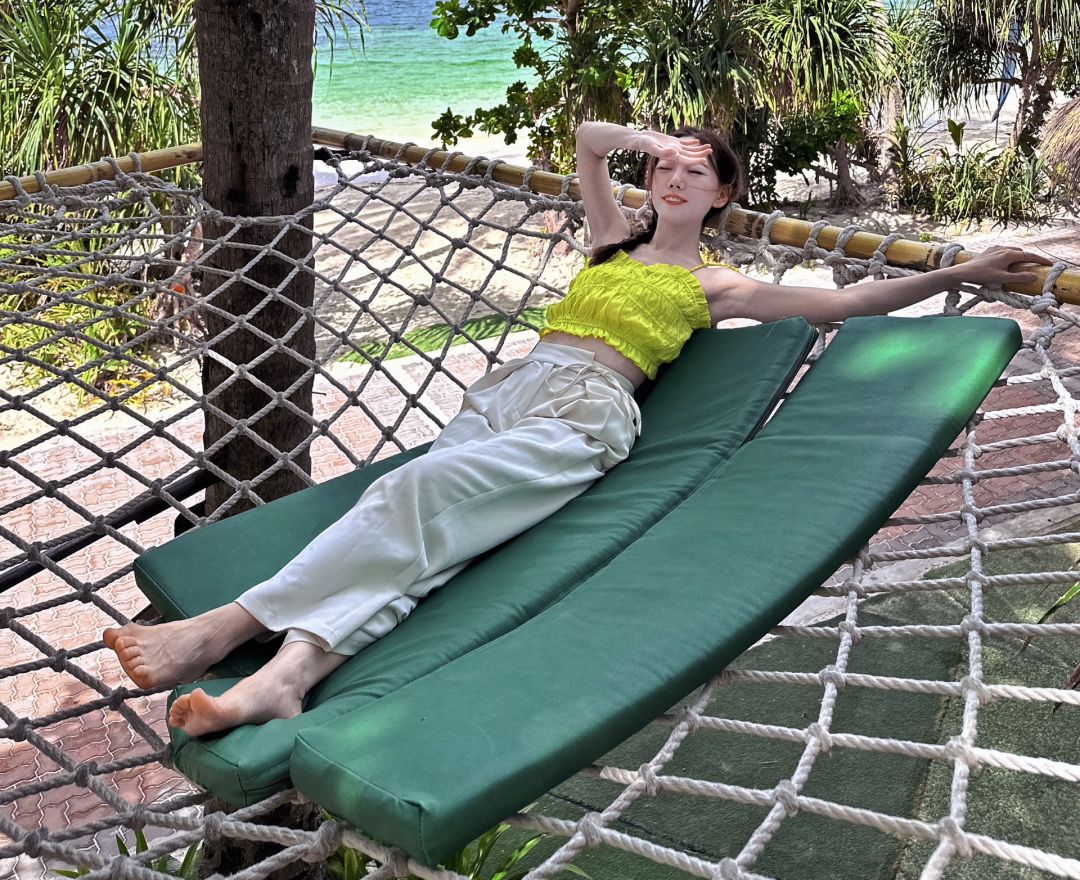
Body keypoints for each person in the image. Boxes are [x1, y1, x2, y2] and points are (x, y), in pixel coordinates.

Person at [103, 122, 1042, 737]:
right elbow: (590, 143)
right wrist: (652, 144)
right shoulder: (611, 244)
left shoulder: (712, 284)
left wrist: (958, 272)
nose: (673, 172)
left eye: (697, 169)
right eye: (666, 164)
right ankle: (288, 678)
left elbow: (846, 298)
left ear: (722, 196)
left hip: (587, 412)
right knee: (431, 548)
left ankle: (226, 628)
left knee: (409, 495)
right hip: (507, 392)